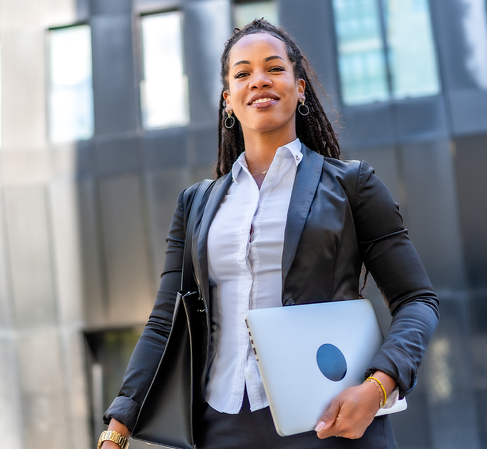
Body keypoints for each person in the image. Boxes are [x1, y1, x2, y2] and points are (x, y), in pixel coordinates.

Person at [100, 19, 439, 449]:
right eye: (242, 73)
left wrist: (378, 387)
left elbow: (417, 301)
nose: (259, 80)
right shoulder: (195, 204)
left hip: (330, 421)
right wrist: (116, 431)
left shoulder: (353, 185)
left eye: (274, 68)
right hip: (221, 427)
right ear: (228, 100)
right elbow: (165, 320)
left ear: (300, 89)